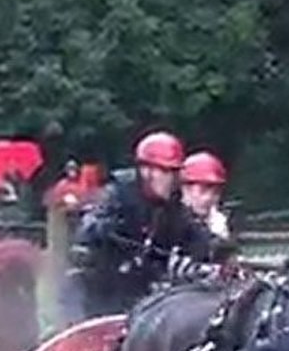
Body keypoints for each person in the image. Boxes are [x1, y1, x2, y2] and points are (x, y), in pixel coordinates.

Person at [59, 131, 214, 323]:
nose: (172, 180)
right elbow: (88, 230)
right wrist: (106, 229)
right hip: (95, 297)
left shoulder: (173, 208)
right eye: (166, 172)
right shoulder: (117, 194)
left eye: (175, 173)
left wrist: (216, 253)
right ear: (146, 171)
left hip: (139, 302)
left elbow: (197, 236)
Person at [180, 151, 231, 239]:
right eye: (203, 191)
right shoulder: (166, 222)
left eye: (215, 193)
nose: (209, 198)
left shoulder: (218, 224)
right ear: (185, 189)